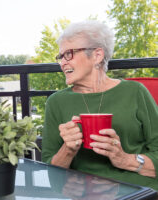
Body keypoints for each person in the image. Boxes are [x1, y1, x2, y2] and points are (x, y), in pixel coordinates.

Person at [42, 20, 158, 190]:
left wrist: (125, 159)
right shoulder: (55, 102)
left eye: (69, 54)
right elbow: (50, 172)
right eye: (60, 56)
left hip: (138, 190)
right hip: (85, 194)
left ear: (97, 55)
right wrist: (68, 149)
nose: (62, 63)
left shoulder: (135, 92)